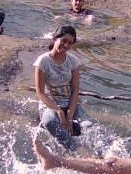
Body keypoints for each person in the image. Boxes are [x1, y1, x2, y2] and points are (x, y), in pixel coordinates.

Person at [33, 25, 92, 153]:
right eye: (63, 41)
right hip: (50, 105)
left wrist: (70, 114)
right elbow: (41, 92)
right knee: (49, 122)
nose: (66, 45)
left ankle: (107, 152)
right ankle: (78, 150)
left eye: (70, 43)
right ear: (55, 39)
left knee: (88, 125)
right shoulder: (43, 61)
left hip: (70, 103)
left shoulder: (73, 61)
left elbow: (75, 89)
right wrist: (59, 111)